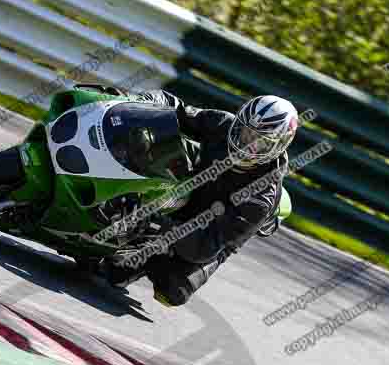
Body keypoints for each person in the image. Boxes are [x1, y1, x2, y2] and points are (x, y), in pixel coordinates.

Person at [105, 91, 299, 307]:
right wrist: (144, 99)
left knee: (170, 291)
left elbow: (204, 247)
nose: (247, 144)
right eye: (245, 133)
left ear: (276, 146)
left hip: (209, 236)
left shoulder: (261, 197)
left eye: (259, 142)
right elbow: (176, 110)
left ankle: (144, 259)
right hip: (190, 195)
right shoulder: (222, 125)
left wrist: (157, 225)